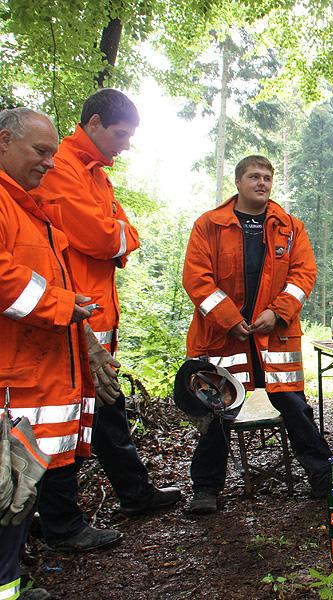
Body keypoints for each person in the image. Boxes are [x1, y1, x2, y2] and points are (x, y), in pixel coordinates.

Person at [30, 89, 180, 553]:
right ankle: (59, 521)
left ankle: (132, 494)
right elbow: (102, 235)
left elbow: (123, 233)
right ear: (94, 123)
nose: (127, 145)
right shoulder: (61, 169)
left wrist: (116, 232)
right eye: (121, 134)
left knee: (103, 410)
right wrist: (114, 232)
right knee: (65, 420)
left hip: (93, 313)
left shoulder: (96, 174)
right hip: (67, 316)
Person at [181, 155, 333, 513]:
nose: (261, 182)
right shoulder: (209, 225)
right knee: (218, 411)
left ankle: (324, 480)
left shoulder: (290, 227)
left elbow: (302, 276)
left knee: (295, 407)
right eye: (253, 176)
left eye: (266, 177)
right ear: (238, 182)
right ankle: (205, 490)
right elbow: (197, 280)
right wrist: (229, 318)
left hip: (274, 337)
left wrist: (277, 314)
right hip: (223, 338)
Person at [0, 107, 102, 599]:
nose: (48, 162)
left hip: (39, 376)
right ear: (4, 141)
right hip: (12, 382)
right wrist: (65, 305)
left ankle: (11, 580)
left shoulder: (31, 207)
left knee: (18, 491)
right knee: (7, 488)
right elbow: (5, 283)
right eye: (40, 151)